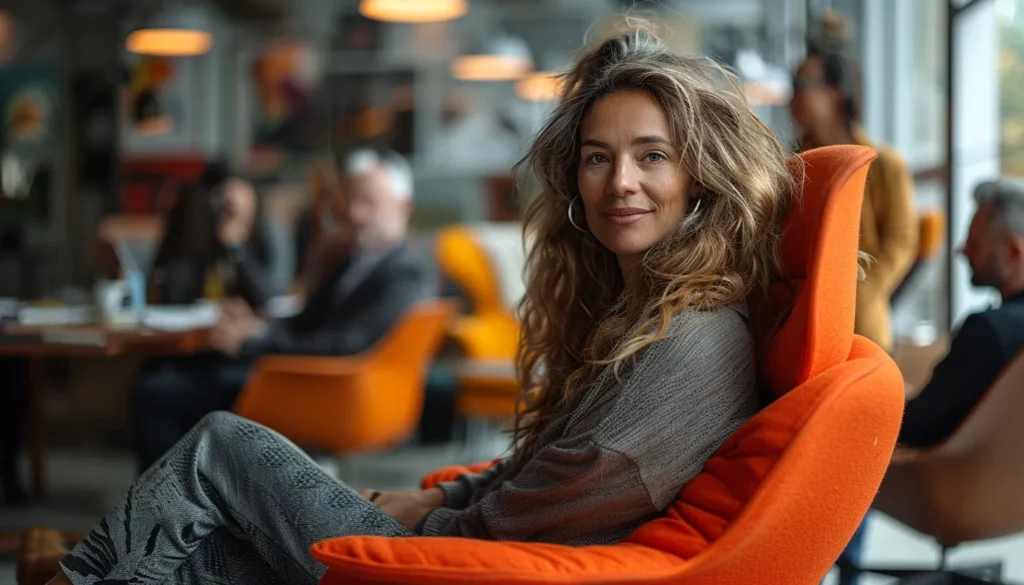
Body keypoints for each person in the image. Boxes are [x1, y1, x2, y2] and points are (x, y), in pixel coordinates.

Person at [49, 27, 794, 585]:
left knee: (219, 442)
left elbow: (546, 506)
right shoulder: (647, 315)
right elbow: (540, 473)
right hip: (465, 543)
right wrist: (406, 496)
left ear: (700, 176)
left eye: (652, 155)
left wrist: (419, 516)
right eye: (597, 157)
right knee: (203, 560)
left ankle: (71, 573)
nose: (618, 181)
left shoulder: (693, 340)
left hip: (462, 567)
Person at [130, 149, 435, 471]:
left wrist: (253, 343)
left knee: (157, 393)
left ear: (404, 208)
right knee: (166, 369)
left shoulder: (406, 272)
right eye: (351, 200)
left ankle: (167, 511)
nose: (354, 213)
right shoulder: (354, 259)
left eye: (369, 203)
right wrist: (257, 328)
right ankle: (198, 503)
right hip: (310, 383)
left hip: (325, 396)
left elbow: (344, 346)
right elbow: (305, 322)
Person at [790, 10, 918, 354]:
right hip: (797, 326)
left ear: (836, 91)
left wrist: (863, 291)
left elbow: (902, 240)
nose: (794, 96)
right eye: (793, 85)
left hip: (863, 327)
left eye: (803, 86)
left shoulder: (885, 164)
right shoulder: (785, 165)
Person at [900, 179, 1024, 448]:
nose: (961, 250)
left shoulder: (990, 333)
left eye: (975, 244)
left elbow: (915, 426)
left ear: (1014, 252)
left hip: (948, 487)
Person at [149, 160, 294, 310]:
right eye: (225, 204)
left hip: (256, 324)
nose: (228, 213)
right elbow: (176, 295)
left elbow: (272, 297)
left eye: (237, 204)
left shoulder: (272, 231)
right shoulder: (206, 225)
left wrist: (237, 248)